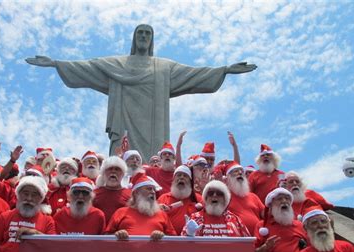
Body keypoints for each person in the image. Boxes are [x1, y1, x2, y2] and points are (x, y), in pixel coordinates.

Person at [26, 24, 256, 161]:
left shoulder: (163, 67)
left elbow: (193, 75)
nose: (144, 37)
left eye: (148, 33)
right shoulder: (118, 63)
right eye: (140, 33)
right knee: (122, 158)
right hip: (124, 122)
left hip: (153, 127)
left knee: (154, 159)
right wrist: (57, 63)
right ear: (135, 39)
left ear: (152, 39)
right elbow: (88, 67)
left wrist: (224, 70)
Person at [105, 173, 176, 240]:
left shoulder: (162, 214)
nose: (153, 192)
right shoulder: (121, 212)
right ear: (136, 193)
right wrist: (117, 235)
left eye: (154, 189)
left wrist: (162, 236)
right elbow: (104, 238)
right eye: (149, 189)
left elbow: (174, 240)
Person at [182, 180, 250, 237]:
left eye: (219, 193)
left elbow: (248, 245)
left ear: (225, 199)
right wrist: (189, 235)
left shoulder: (235, 220)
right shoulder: (195, 218)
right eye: (211, 193)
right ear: (206, 198)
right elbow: (181, 246)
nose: (214, 195)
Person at [157, 165, 201, 235]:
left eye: (185, 176)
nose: (181, 177)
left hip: (191, 242)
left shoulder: (198, 199)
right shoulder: (163, 198)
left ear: (190, 181)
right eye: (179, 175)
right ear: (173, 180)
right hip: (167, 241)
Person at [225, 162, 263, 234]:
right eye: (236, 171)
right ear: (228, 177)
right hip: (236, 239)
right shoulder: (224, 196)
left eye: (242, 172)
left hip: (257, 238)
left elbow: (266, 214)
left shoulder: (253, 196)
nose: (240, 173)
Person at [93, 156, 131, 222]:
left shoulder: (131, 195)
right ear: (103, 173)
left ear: (122, 174)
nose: (113, 171)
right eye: (110, 169)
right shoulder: (94, 194)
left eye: (117, 169)